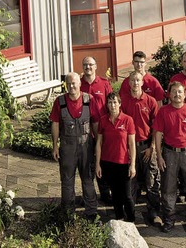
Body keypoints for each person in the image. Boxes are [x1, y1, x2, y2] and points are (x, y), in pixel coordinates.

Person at [153, 81, 186, 235]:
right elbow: (157, 134)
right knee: (168, 189)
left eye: (180, 91)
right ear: (169, 94)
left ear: (185, 94)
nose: (177, 94)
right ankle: (169, 220)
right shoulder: (163, 111)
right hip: (169, 153)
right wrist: (159, 155)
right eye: (174, 91)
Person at [50, 72, 98, 220]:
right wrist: (55, 146)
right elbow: (55, 124)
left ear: (79, 84)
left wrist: (97, 145)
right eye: (68, 84)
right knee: (67, 181)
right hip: (67, 147)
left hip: (86, 146)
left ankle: (91, 213)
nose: (71, 86)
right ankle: (68, 213)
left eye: (74, 83)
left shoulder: (89, 100)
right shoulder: (60, 102)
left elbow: (95, 123)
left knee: (88, 180)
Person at [120, 71, 160, 225]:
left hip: (146, 147)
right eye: (133, 80)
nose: (135, 83)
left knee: (152, 182)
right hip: (129, 149)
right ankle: (130, 214)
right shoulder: (123, 102)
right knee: (131, 182)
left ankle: (154, 212)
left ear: (142, 83)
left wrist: (153, 148)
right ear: (128, 83)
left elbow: (156, 128)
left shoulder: (150, 101)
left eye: (138, 80)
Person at [95, 92, 137, 222]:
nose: (112, 105)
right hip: (108, 162)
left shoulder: (127, 120)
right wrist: (97, 164)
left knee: (127, 195)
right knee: (115, 194)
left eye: (115, 102)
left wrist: (133, 165)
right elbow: (99, 143)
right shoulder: (103, 120)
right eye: (109, 102)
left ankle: (131, 221)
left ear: (119, 104)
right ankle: (119, 219)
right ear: (106, 105)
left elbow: (131, 144)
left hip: (123, 163)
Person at [80, 56, 113, 204]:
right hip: (85, 132)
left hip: (103, 131)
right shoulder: (78, 84)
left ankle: (105, 193)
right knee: (88, 165)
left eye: (90, 65)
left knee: (103, 163)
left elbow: (112, 105)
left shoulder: (104, 84)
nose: (88, 67)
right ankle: (89, 195)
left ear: (95, 66)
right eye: (85, 65)